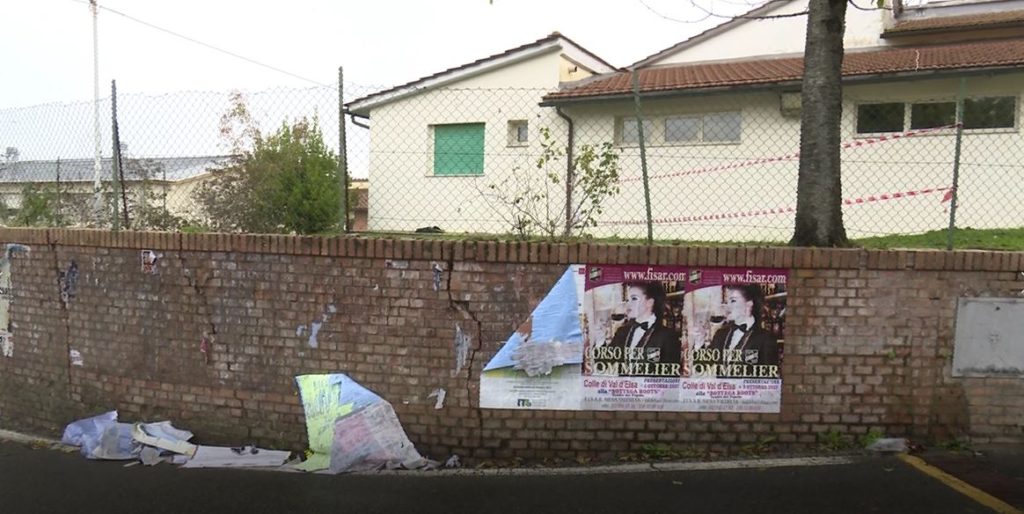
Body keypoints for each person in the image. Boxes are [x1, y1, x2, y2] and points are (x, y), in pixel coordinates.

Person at [606, 281, 682, 376]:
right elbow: (606, 363)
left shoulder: (668, 336)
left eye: (634, 299)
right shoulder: (622, 332)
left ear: (649, 302)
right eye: (627, 300)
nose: (628, 304)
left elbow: (671, 377)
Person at [708, 284, 778, 376]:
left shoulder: (765, 338)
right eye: (726, 302)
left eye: (733, 301)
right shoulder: (720, 334)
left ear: (749, 304)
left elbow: (769, 377)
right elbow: (704, 365)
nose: (727, 306)